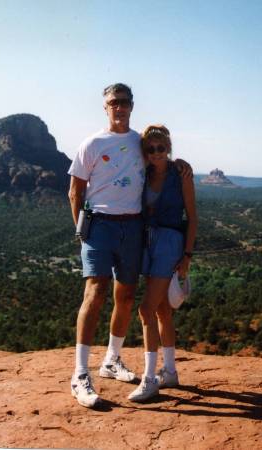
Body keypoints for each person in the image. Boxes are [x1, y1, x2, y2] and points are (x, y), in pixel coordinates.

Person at [68, 84, 191, 408]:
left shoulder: (139, 143)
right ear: (105, 107)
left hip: (134, 226)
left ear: (131, 106)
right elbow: (74, 192)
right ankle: (80, 374)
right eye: (113, 102)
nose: (119, 107)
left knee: (125, 295)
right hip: (100, 227)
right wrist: (82, 232)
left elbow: (159, 155)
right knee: (95, 293)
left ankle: (112, 360)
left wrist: (181, 165)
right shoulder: (91, 143)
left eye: (124, 102)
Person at [128, 125, 197, 402]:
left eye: (161, 148)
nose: (156, 153)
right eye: (151, 148)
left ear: (168, 147)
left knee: (145, 309)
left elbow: (192, 217)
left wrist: (187, 255)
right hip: (147, 242)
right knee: (161, 310)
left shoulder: (180, 174)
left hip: (169, 243)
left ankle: (149, 379)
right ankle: (169, 372)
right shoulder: (142, 174)